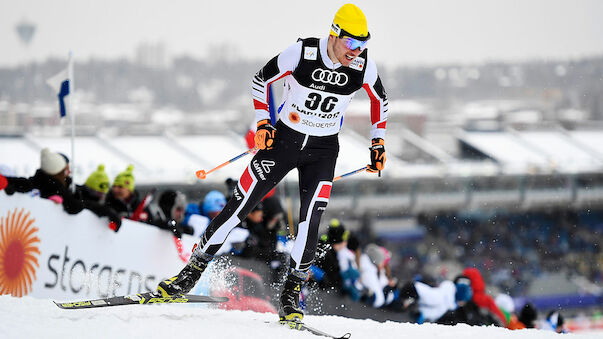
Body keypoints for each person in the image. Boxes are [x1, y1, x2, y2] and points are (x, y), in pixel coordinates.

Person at [155, 3, 388, 324]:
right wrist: (263, 123)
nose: (356, 51)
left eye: (363, 44)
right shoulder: (303, 52)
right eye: (351, 43)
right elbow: (261, 80)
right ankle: (187, 277)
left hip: (323, 151)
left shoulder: (363, 67)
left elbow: (380, 101)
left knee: (311, 223)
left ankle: (291, 295)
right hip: (284, 143)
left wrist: (378, 142)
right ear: (335, 34)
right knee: (238, 207)